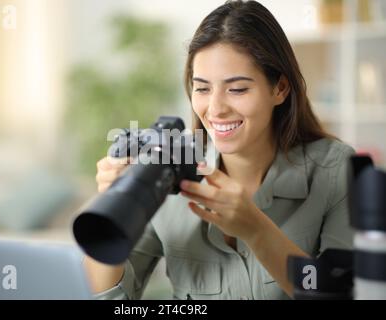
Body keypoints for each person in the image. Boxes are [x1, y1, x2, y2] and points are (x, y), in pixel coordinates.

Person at [85, 0, 355, 300]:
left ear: (279, 88)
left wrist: (256, 229)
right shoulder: (166, 172)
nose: (215, 109)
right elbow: (113, 299)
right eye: (202, 88)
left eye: (237, 89)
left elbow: (342, 294)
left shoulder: (337, 170)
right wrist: (116, 202)